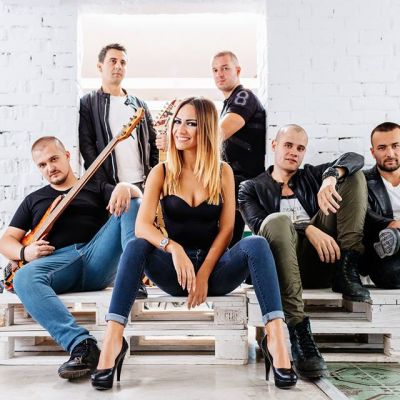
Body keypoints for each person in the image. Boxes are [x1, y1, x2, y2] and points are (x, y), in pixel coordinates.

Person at [91, 97, 297, 390]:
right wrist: (173, 248)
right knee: (136, 245)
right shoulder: (161, 172)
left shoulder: (222, 171)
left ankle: (275, 340)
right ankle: (113, 341)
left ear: (207, 129)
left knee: (257, 244)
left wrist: (204, 273)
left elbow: (227, 230)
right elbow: (142, 226)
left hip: (216, 272)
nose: (180, 129)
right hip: (175, 274)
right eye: (177, 122)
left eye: (191, 123)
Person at [0, 136, 142, 380]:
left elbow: (137, 197)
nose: (50, 168)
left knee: (133, 200)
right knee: (23, 278)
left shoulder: (95, 187)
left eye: (54, 159)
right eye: (42, 165)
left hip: (98, 257)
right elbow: (6, 241)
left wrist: (126, 186)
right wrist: (25, 252)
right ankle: (83, 346)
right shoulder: (34, 199)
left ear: (67, 156)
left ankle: (134, 275)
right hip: (58, 264)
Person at [239, 124, 369, 378]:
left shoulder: (312, 175)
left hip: (322, 260)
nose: (294, 152)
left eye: (300, 148)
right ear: (274, 145)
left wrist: (330, 176)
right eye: (288, 145)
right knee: (277, 220)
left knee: (353, 176)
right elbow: (259, 225)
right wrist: (308, 228)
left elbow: (356, 159)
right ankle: (299, 331)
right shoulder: (250, 188)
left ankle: (347, 268)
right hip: (281, 268)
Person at [79, 43, 158, 297]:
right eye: (113, 61)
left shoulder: (139, 105)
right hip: (110, 186)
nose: (118, 66)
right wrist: (108, 188)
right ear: (100, 66)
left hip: (141, 184)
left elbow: (152, 145)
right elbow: (89, 150)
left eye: (123, 62)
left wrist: (153, 182)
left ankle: (136, 281)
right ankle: (132, 281)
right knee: (125, 231)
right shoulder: (89, 103)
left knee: (142, 232)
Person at [211, 50, 266, 246]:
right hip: (233, 182)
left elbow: (219, 133)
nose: (220, 74)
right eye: (215, 70)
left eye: (225, 68)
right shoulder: (227, 105)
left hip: (244, 183)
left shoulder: (243, 96)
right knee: (227, 243)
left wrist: (186, 140)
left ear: (238, 70)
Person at [363, 122, 400, 288]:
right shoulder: (362, 181)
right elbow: (363, 214)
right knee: (389, 274)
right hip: (385, 256)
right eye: (382, 148)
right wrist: (391, 224)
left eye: (395, 146)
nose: (390, 154)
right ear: (373, 152)